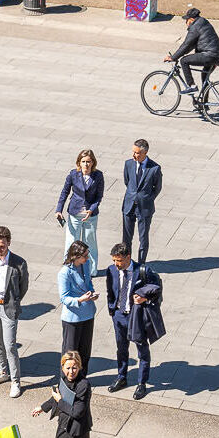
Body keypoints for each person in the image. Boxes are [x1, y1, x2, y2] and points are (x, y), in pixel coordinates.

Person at [103, 242, 163, 399]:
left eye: (119, 261)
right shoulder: (111, 270)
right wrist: (112, 309)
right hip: (119, 316)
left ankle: (142, 383)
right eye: (114, 260)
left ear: (128, 257)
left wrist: (144, 296)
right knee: (121, 348)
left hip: (136, 317)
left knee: (142, 349)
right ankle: (121, 377)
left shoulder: (142, 270)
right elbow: (110, 289)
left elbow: (156, 287)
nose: (116, 264)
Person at [33, 351, 94, 438]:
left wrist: (60, 400)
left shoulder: (83, 385)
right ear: (62, 367)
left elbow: (77, 412)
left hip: (75, 428)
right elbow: (55, 397)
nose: (71, 371)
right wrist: (42, 408)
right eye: (67, 368)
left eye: (74, 367)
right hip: (65, 423)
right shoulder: (64, 379)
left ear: (79, 367)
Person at [0, 227, 30, 397]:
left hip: (8, 307)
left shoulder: (19, 263)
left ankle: (16, 381)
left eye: (2, 246)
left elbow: (23, 287)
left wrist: (13, 301)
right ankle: (3, 372)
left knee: (10, 346)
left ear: (9, 243)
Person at [54, 150, 104, 261]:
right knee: (71, 241)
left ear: (93, 163)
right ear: (79, 163)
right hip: (75, 213)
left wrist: (91, 210)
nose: (86, 164)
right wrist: (59, 209)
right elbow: (65, 192)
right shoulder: (73, 174)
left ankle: (91, 270)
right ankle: (69, 265)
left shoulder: (98, 175)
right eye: (83, 161)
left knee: (90, 242)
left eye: (88, 161)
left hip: (90, 215)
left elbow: (99, 196)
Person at [169, 6, 219, 100]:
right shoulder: (203, 22)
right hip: (218, 56)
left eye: (186, 20)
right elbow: (191, 46)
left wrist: (173, 57)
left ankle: (192, 86)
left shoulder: (195, 27)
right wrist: (177, 55)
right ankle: (204, 104)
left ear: (190, 19)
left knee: (184, 61)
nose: (186, 23)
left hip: (209, 55)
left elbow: (186, 44)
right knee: (204, 77)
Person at [119, 140, 160, 264]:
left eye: (137, 153)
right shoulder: (128, 164)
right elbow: (127, 182)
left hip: (144, 207)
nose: (134, 155)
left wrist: (146, 198)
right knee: (126, 238)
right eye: (133, 152)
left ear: (145, 153)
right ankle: (127, 262)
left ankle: (141, 264)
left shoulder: (155, 168)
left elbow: (157, 188)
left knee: (143, 238)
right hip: (129, 205)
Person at [58, 240, 97, 367]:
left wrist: (91, 293)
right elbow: (64, 298)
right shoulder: (65, 272)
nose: (87, 257)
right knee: (70, 355)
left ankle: (82, 381)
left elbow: (88, 283)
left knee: (85, 353)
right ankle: (66, 383)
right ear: (76, 256)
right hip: (73, 318)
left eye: (87, 254)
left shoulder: (86, 265)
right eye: (85, 255)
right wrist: (80, 300)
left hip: (88, 314)